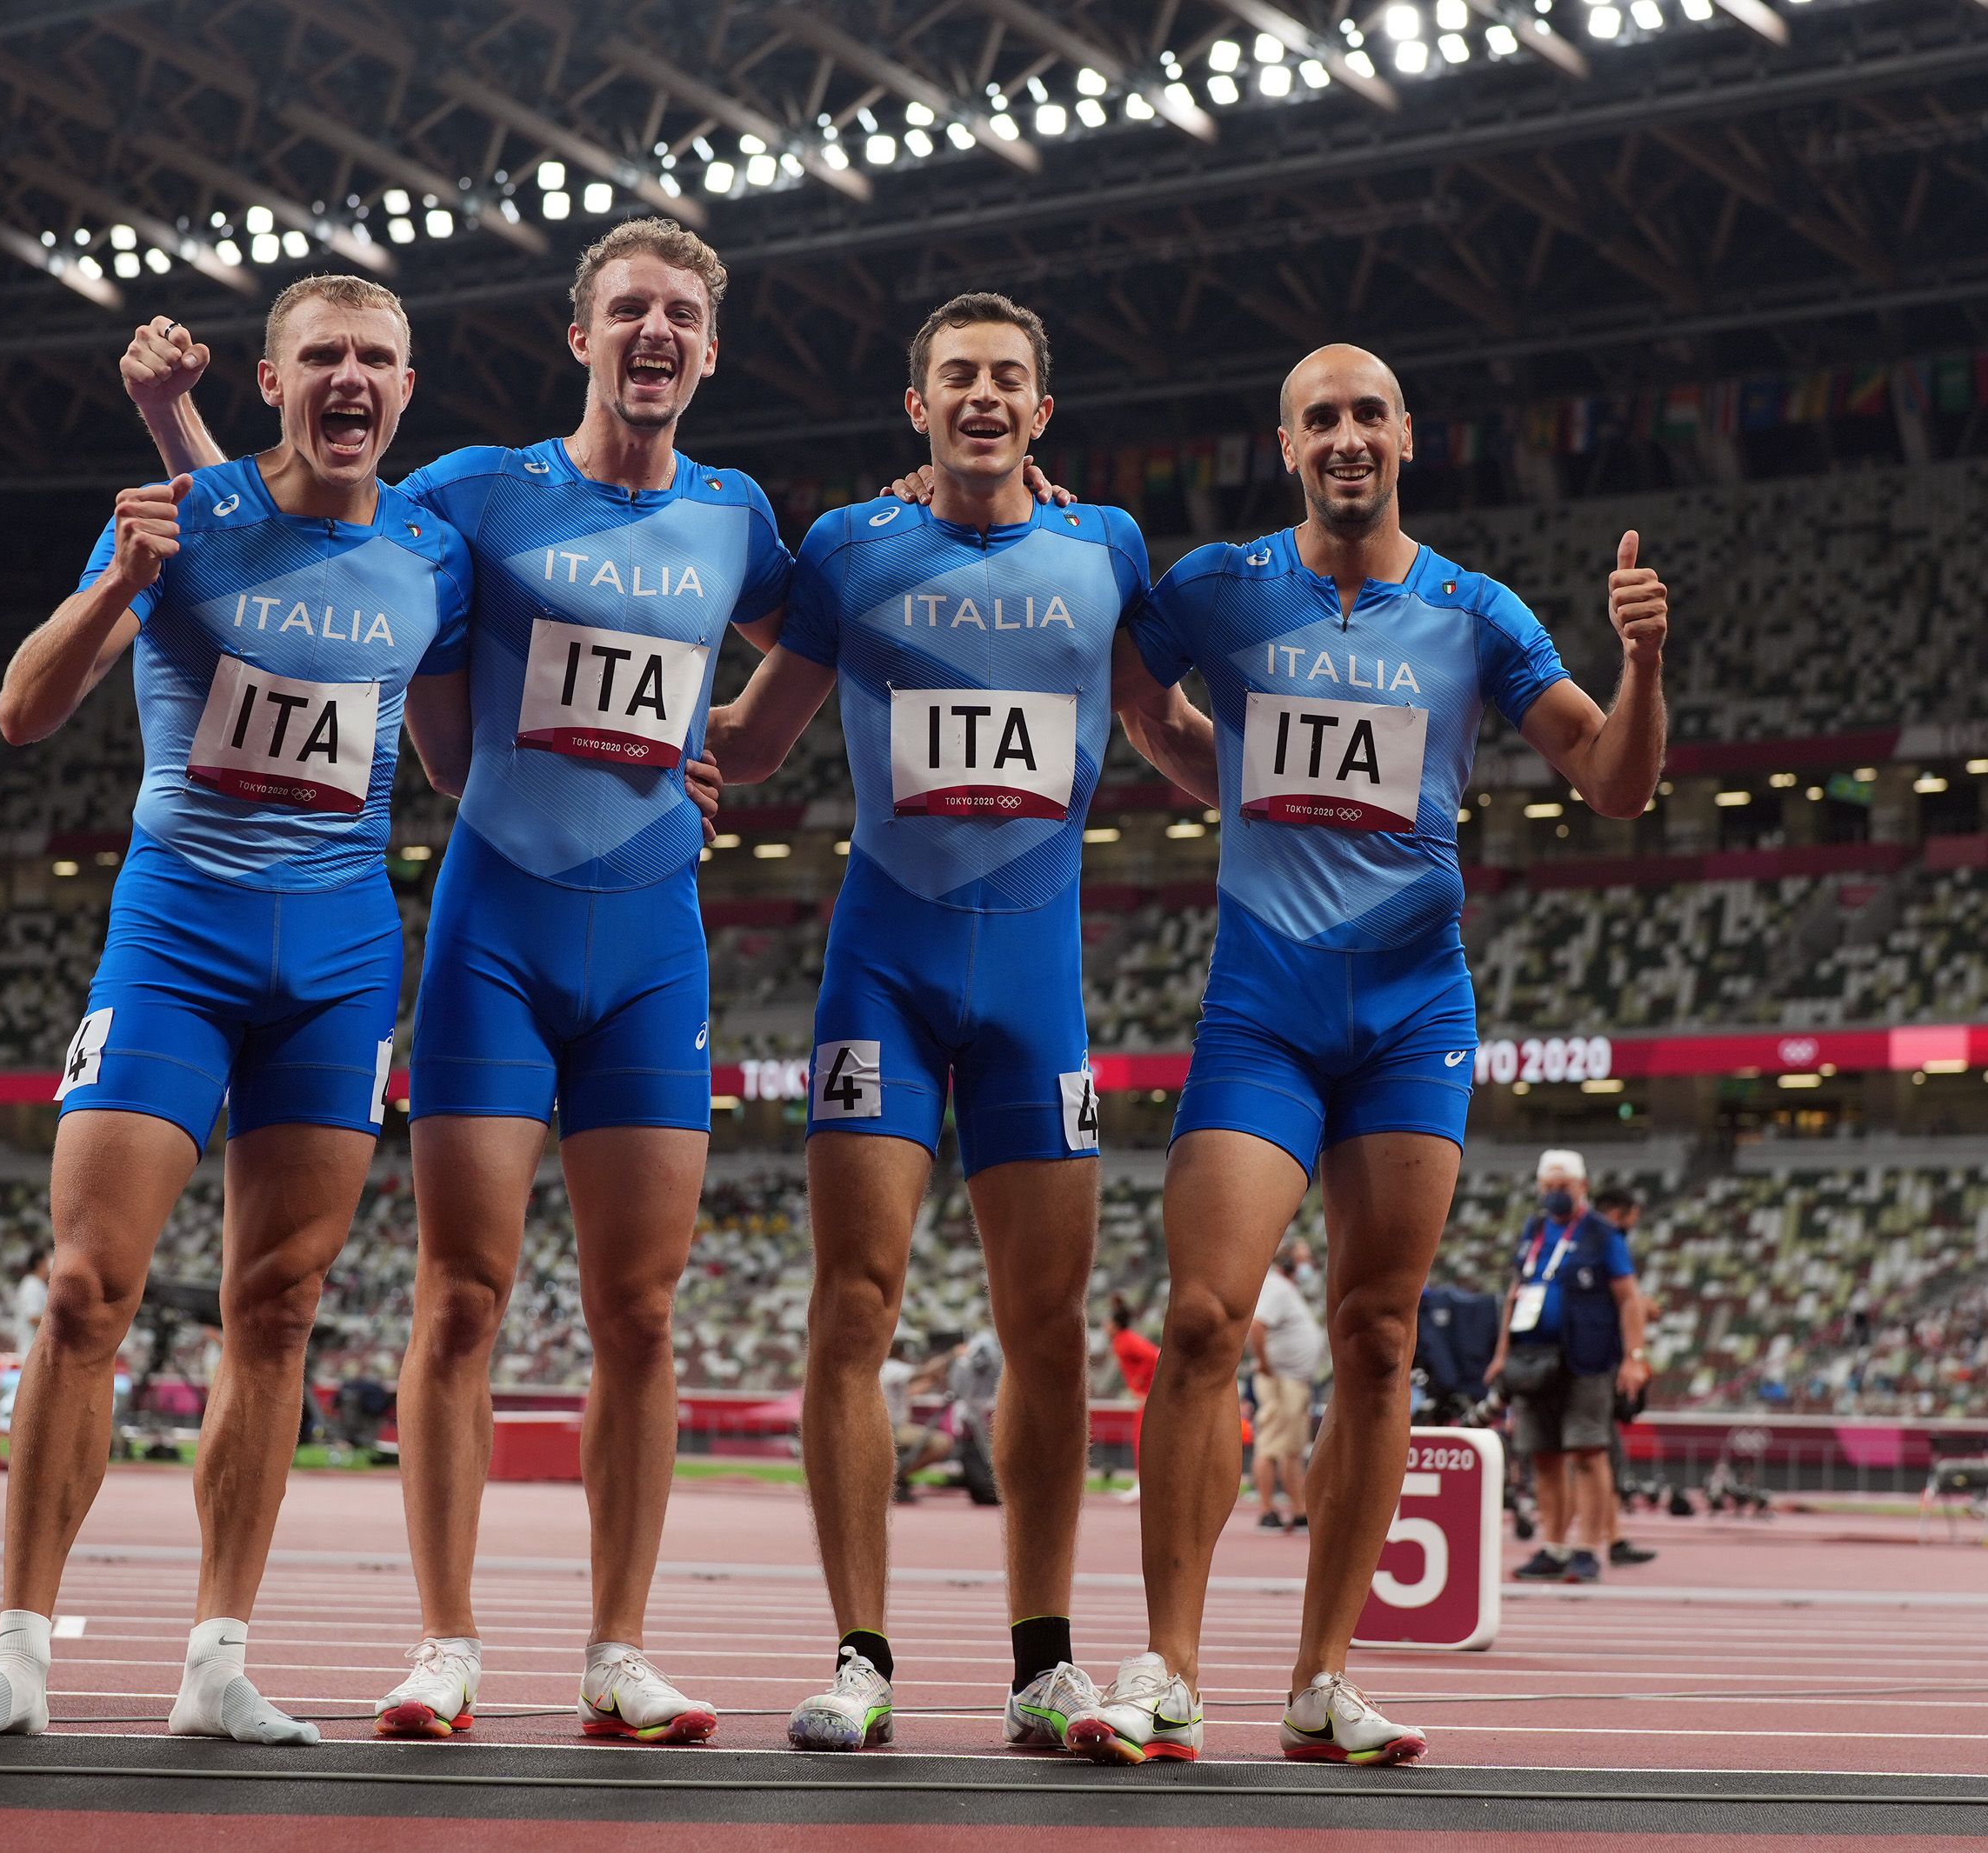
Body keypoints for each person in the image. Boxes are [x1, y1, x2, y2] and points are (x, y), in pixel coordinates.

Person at [128, 218, 790, 1746]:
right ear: (580, 336)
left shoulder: (739, 516)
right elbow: (291, 519)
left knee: (640, 1309)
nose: (653, 334)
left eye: (680, 314)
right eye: (627, 309)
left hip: (652, 944)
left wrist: (733, 750)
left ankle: (619, 1648)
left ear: (708, 346)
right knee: (461, 1299)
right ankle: (446, 1642)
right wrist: (174, 422)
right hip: (492, 924)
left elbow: (826, 631)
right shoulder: (476, 490)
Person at [0, 274, 473, 1747]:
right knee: (90, 1286)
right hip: (176, 936)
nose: (351, 379)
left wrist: (667, 764)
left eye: (377, 360)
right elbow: (23, 713)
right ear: (277, 379)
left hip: (343, 957)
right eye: (323, 357)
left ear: (407, 391)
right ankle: (18, 1654)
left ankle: (219, 1655)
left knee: (275, 1311)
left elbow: (472, 758)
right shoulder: (177, 513)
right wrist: (117, 582)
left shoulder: (434, 551)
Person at [1099, 343, 1670, 1764]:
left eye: (1367, 414)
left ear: (1404, 437)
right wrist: (1191, 762)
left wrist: (1644, 660)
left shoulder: (1474, 615)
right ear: (1285, 442)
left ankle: (1319, 1678)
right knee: (1199, 1320)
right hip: (1263, 1008)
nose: (1345, 437)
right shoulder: (1222, 588)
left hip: (1413, 1012)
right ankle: (1166, 1667)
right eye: (1319, 419)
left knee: (1374, 1339)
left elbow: (1612, 781)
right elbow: (1126, 676)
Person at [705, 292, 1217, 1756]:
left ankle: (1042, 1660)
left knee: (1045, 1326)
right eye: (955, 379)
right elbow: (752, 732)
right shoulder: (851, 551)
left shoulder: (1104, 545)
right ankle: (860, 1654)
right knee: (851, 1308)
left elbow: (1160, 728)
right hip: (882, 961)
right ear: (915, 409)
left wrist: (1285, 798)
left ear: (1041, 414)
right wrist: (640, 750)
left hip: (1034, 985)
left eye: (1006, 379)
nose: (981, 397)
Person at [1489, 1152, 1651, 1584]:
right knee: (1543, 1456)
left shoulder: (1601, 1233)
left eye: (1563, 1186)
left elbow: (1629, 1299)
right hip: (1534, 1361)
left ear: (1583, 1186)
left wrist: (1635, 1358)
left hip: (1589, 1359)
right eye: (1548, 1187)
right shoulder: (1534, 1230)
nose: (1555, 1194)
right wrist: (1502, 1352)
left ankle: (1587, 1549)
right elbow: (1515, 1292)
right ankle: (1553, 1546)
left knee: (1588, 1452)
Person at [1590, 1183, 1658, 1567]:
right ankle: (1591, 1541)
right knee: (1596, 1455)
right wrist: (1635, 1356)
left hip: (1598, 1366)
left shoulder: (1591, 1242)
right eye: (1633, 1216)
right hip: (1597, 1370)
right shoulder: (1605, 1240)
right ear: (1620, 1213)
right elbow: (1624, 1302)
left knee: (1601, 1455)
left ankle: (1609, 1537)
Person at [1250, 1250, 1319, 1534]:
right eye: (1304, 1259)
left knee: (1291, 1450)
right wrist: (1266, 1365)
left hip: (1293, 1380)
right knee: (1271, 1445)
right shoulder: (1277, 1287)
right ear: (1290, 1263)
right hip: (1281, 1380)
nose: (1309, 1265)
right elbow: (1257, 1325)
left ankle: (1299, 1511)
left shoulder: (1286, 1289)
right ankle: (1267, 1511)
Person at [879, 1336, 956, 1503]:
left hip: (895, 1426)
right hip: (891, 1428)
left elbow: (911, 1389)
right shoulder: (890, 1366)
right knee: (942, 1443)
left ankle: (894, 1478)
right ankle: (894, 1478)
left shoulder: (887, 1370)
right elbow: (924, 1371)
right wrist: (952, 1355)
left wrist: (935, 1379)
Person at [1107, 1296, 1159, 1504]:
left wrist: (1140, 1384)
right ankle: (1143, 1484)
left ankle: (1142, 1485)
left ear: (1115, 1324)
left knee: (1141, 1439)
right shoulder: (1123, 1340)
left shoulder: (1126, 1340)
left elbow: (1153, 1356)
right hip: (1145, 1395)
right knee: (1140, 1438)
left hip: (1147, 1396)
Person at [10, 1247, 50, 1361]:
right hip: (31, 1354)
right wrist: (58, 1324)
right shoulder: (31, 1285)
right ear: (40, 1263)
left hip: (37, 1354)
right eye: (49, 1259)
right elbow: (33, 1317)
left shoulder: (40, 1285)